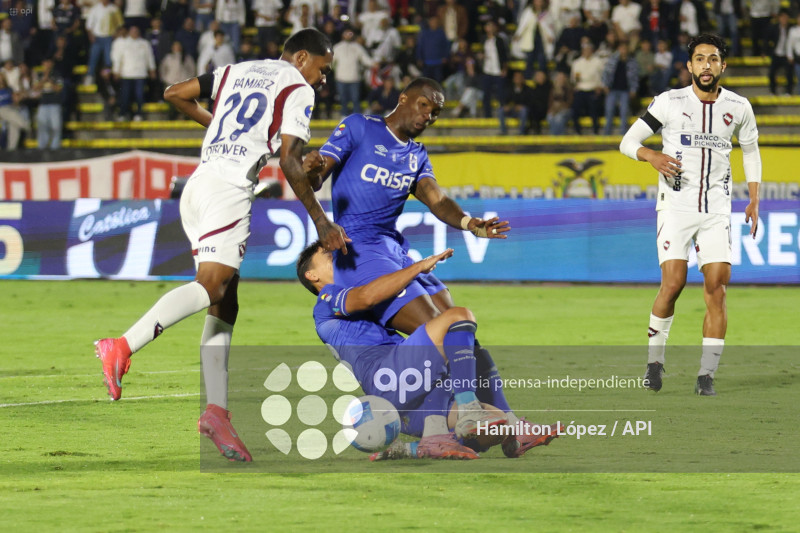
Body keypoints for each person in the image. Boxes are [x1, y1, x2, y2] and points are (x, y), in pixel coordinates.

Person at [94, 28, 348, 463]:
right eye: (323, 69)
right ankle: (121, 345)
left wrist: (222, 128)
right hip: (229, 188)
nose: (323, 80)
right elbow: (289, 160)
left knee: (225, 301)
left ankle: (216, 412)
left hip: (198, 185)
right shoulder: (298, 88)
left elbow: (174, 93)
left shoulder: (239, 69)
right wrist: (321, 221)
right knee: (212, 287)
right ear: (302, 58)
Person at [302, 78, 525, 438]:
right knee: (444, 329)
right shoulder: (359, 127)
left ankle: (509, 423)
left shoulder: (416, 155)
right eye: (424, 106)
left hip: (395, 251)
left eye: (435, 112)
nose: (429, 116)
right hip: (359, 252)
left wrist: (471, 223)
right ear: (403, 98)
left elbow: (436, 200)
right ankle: (457, 417)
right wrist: (311, 168)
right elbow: (316, 174)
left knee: (463, 334)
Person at [297, 242, 561, 459]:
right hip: (386, 375)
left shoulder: (349, 300)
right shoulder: (326, 300)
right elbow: (368, 295)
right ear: (312, 275)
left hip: (401, 394)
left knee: (493, 421)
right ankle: (467, 413)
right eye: (328, 257)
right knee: (458, 318)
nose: (337, 256)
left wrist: (416, 269)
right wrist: (417, 266)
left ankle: (420, 446)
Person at [619, 33, 761, 396]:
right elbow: (627, 142)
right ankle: (654, 362)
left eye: (713, 59)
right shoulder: (669, 102)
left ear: (722, 65)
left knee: (718, 288)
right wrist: (651, 157)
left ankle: (706, 375)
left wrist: (754, 199)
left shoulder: (739, 107)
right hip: (676, 207)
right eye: (700, 59)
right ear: (689, 66)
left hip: (717, 209)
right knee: (674, 284)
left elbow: (750, 152)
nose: (706, 66)